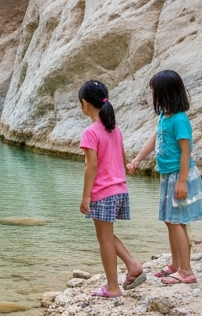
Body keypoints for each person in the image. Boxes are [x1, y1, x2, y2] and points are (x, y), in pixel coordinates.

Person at [128, 70, 202, 285]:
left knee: (176, 221)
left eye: (154, 92)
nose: (153, 96)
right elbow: (154, 140)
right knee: (169, 220)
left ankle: (186, 271)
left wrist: (181, 181)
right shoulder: (165, 115)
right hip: (167, 175)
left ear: (165, 93)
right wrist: (137, 159)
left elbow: (186, 151)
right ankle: (175, 264)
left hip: (178, 176)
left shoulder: (180, 120)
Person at [77, 80, 145, 297]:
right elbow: (121, 158)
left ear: (85, 104)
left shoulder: (90, 132)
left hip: (103, 192)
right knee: (107, 235)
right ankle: (133, 266)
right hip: (120, 190)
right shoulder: (115, 130)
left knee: (104, 238)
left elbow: (92, 166)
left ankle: (113, 287)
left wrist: (85, 197)